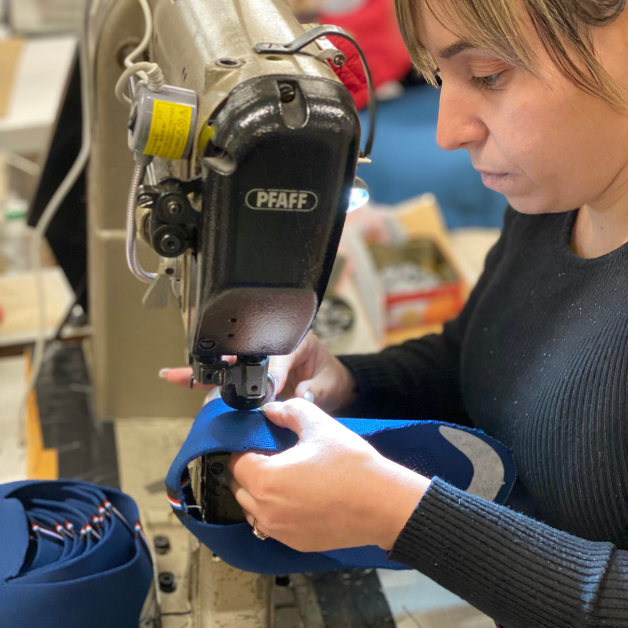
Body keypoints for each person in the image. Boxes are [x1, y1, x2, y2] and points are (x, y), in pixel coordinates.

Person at [160, 0, 628, 625]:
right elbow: (481, 360)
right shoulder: (562, 197)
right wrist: (348, 382)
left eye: (488, 75)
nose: (448, 130)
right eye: (439, 78)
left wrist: (402, 519)